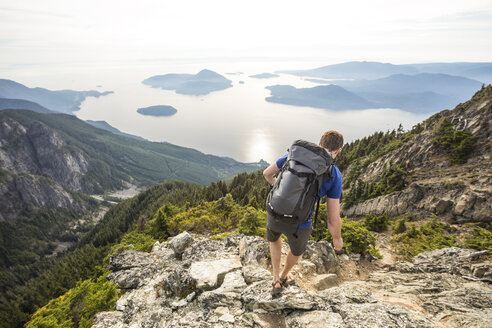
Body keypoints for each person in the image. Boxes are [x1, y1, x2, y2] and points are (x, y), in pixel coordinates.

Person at [262, 130, 344, 295]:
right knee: (296, 250)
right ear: (337, 151)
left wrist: (278, 186)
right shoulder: (333, 174)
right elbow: (333, 218)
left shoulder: (294, 155)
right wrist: (337, 238)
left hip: (275, 211)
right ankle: (284, 276)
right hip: (300, 222)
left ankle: (275, 278)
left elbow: (267, 174)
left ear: (319, 144)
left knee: (274, 239)